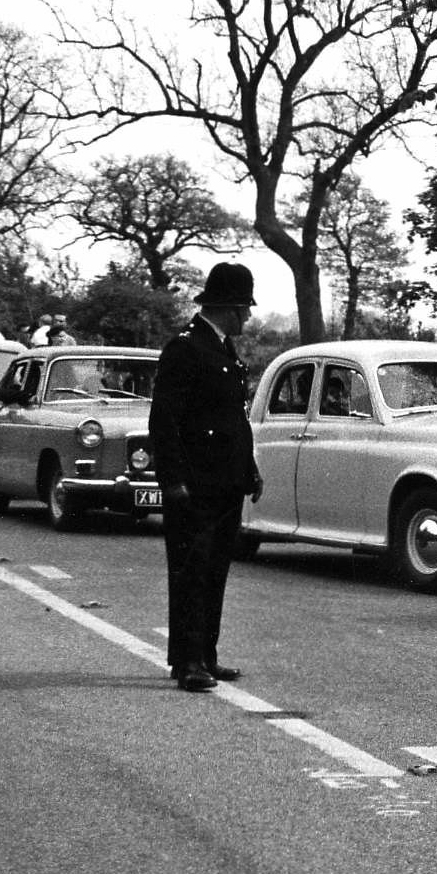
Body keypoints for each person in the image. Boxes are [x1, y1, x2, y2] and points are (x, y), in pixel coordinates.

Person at [147, 263, 264, 692]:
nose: (248, 318)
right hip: (195, 482)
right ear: (227, 308)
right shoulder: (186, 347)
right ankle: (187, 660)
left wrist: (249, 469)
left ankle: (206, 655)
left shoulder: (224, 350)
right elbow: (165, 419)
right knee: (191, 571)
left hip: (225, 480)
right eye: (243, 309)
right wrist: (171, 478)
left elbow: (234, 420)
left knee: (214, 571)